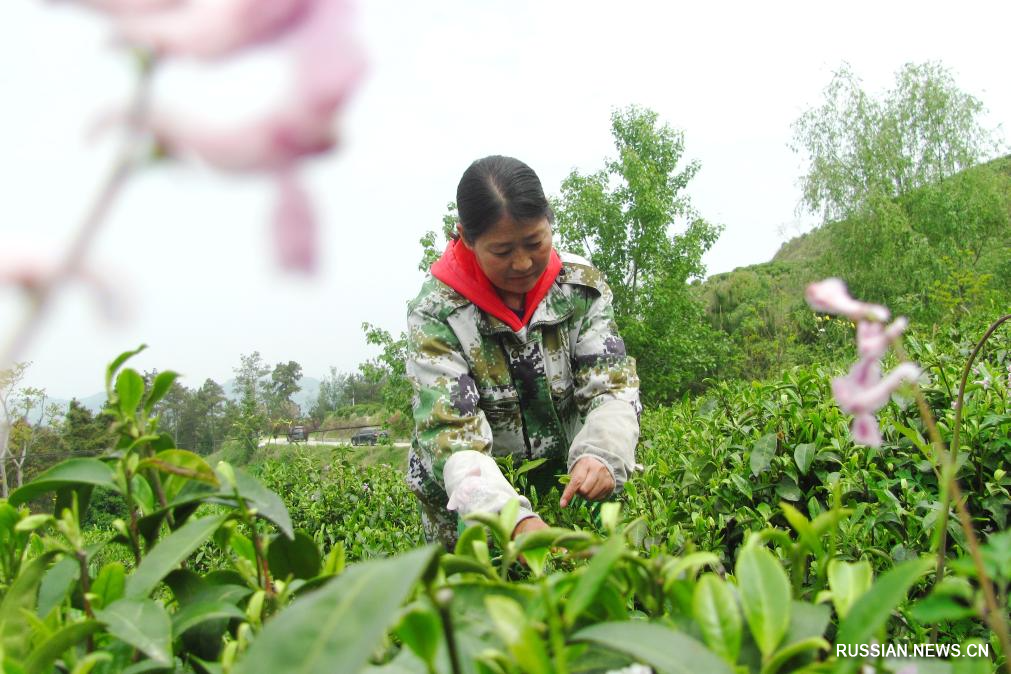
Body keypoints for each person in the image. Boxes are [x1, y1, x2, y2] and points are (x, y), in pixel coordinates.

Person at [406, 155, 641, 549]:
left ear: (549, 219)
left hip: (568, 488)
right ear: (466, 238)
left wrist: (602, 455)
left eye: (535, 242)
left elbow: (612, 387)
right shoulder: (438, 313)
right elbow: (451, 433)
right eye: (501, 251)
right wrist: (509, 519)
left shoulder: (579, 287)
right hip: (473, 505)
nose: (522, 262)